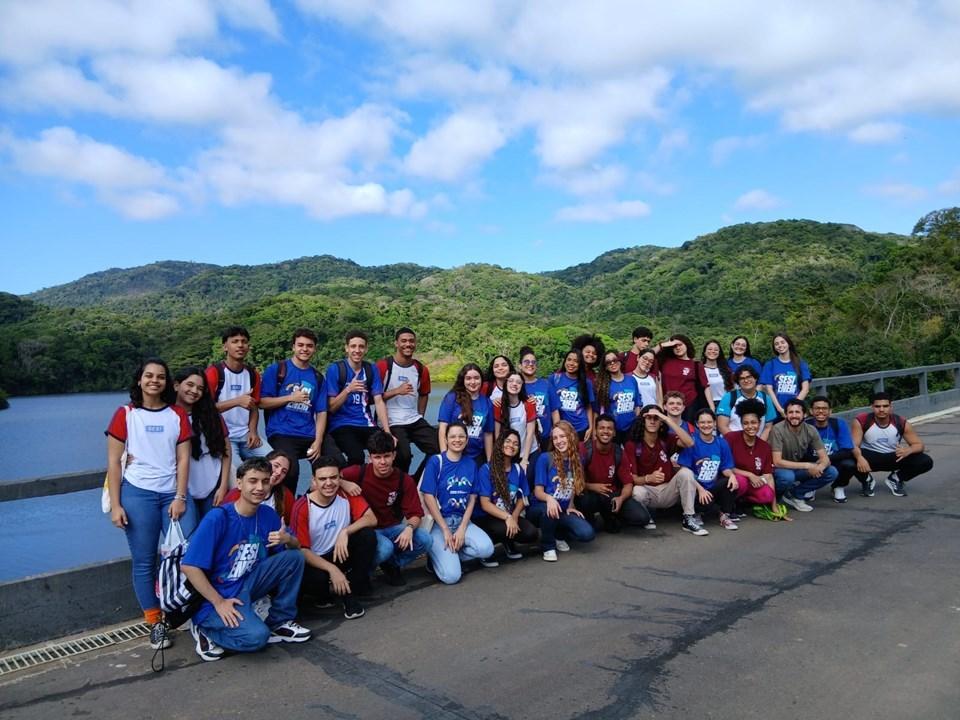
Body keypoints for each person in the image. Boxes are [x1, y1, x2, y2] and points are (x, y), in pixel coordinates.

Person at [106, 358, 197, 650]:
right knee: (145, 561)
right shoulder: (126, 414)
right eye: (149, 376)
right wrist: (117, 506)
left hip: (172, 493)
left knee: (190, 553)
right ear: (140, 380)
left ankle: (187, 611)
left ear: (167, 382)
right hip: (138, 494)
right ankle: (156, 622)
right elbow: (113, 462)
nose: (154, 381)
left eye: (160, 376)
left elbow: (183, 459)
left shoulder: (176, 415)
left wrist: (181, 496)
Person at [182, 458, 311, 661]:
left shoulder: (268, 515)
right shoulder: (218, 518)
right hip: (218, 595)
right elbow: (189, 567)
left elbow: (295, 548)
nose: (260, 487)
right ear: (239, 483)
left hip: (248, 584)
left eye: (265, 481)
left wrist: (289, 540)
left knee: (293, 557)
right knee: (257, 638)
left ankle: (279, 620)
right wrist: (219, 602)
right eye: (253, 481)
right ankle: (205, 629)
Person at [290, 456, 377, 619]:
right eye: (322, 479)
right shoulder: (302, 506)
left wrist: (345, 532)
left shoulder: (345, 493)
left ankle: (349, 589)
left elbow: (371, 519)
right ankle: (327, 593)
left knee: (367, 536)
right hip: (316, 561)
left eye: (333, 477)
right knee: (315, 578)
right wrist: (332, 570)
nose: (329, 483)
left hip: (339, 553)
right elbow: (302, 550)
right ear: (314, 481)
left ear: (340, 478)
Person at [340, 431, 431, 586]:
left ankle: (392, 564)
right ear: (370, 458)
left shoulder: (404, 480)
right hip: (367, 531)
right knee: (385, 548)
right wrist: (344, 483)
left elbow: (415, 514)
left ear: (394, 456)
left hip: (392, 527)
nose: (382, 462)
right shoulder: (358, 472)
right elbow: (331, 476)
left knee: (425, 539)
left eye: (386, 456)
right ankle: (363, 572)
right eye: (377, 457)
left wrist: (409, 528)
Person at [420, 422, 496, 584]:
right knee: (451, 577)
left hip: (462, 521)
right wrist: (446, 529)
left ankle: (451, 554)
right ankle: (437, 558)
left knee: (487, 549)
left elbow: (472, 498)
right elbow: (428, 497)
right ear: (446, 440)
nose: (457, 440)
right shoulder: (436, 462)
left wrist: (462, 528)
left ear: (467, 440)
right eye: (452, 436)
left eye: (461, 436)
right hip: (439, 524)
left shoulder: (470, 464)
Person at [259, 328, 328, 495]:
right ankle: (285, 512)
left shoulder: (317, 377)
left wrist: (318, 441)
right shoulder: (277, 370)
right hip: (282, 432)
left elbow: (321, 412)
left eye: (309, 346)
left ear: (314, 349)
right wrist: (290, 397)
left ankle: (306, 500)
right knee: (291, 470)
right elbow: (262, 402)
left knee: (332, 463)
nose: (305, 349)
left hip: (308, 434)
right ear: (293, 347)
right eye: (300, 345)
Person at [204, 326, 268, 480]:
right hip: (224, 437)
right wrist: (237, 401)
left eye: (244, 342)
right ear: (225, 347)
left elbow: (254, 408)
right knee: (243, 474)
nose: (240, 345)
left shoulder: (253, 375)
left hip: (246, 436)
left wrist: (253, 431)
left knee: (277, 463)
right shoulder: (214, 373)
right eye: (235, 341)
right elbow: (205, 409)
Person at [527, 421, 596, 561]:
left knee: (587, 533)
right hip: (540, 508)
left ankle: (557, 533)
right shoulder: (545, 458)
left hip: (562, 510)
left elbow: (572, 486)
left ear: (571, 436)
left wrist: (571, 505)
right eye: (555, 438)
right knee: (549, 510)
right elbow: (538, 492)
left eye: (562, 436)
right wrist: (550, 499)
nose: (559, 441)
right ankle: (548, 546)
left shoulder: (577, 459)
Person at [629, 405, 702, 535]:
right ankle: (647, 514)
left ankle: (688, 518)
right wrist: (648, 478)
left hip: (668, 490)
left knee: (686, 473)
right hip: (648, 491)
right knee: (637, 491)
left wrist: (667, 419)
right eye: (649, 418)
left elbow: (689, 443)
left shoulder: (665, 439)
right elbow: (632, 478)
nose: (652, 421)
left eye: (656, 418)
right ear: (642, 421)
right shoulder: (633, 444)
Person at [375, 327, 439, 476]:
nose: (408, 344)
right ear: (396, 343)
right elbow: (372, 398)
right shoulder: (383, 366)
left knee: (440, 449)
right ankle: (400, 487)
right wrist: (396, 391)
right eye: (403, 341)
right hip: (391, 421)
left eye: (411, 341)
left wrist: (420, 415)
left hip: (413, 419)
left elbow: (424, 394)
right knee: (403, 455)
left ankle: (416, 480)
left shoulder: (421, 369)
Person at [324, 330, 392, 467]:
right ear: (346, 348)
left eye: (361, 347)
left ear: (366, 349)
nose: (357, 350)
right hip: (342, 424)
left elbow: (378, 401)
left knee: (389, 450)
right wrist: (348, 390)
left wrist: (387, 431)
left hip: (366, 423)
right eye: (353, 346)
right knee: (357, 456)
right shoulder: (335, 369)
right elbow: (331, 407)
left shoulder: (371, 369)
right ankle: (352, 486)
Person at [851, 392, 934, 497]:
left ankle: (896, 479)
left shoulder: (901, 422)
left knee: (925, 461)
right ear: (872, 407)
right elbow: (853, 445)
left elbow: (919, 445)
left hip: (894, 457)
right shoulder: (861, 420)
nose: (881, 409)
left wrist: (908, 450)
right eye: (877, 406)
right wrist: (859, 458)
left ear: (891, 406)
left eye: (885, 406)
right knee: (848, 458)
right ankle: (866, 480)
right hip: (869, 458)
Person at [577, 414, 651, 532]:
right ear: (595, 431)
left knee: (642, 518)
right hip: (590, 494)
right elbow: (574, 480)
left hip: (611, 495)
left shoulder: (619, 452)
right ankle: (591, 519)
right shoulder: (584, 448)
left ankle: (610, 516)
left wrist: (621, 498)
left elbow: (628, 483)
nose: (606, 431)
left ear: (614, 433)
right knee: (583, 500)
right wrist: (591, 486)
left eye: (609, 429)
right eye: (602, 428)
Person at [474, 429, 539, 559]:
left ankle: (507, 542)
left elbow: (522, 497)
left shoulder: (517, 469)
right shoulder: (486, 469)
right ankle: (485, 551)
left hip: (508, 514)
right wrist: (507, 517)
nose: (511, 445)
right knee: (502, 529)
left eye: (516, 443)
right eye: (508, 441)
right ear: (500, 443)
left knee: (531, 533)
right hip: (487, 517)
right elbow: (485, 504)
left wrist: (514, 516)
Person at [174, 366, 230, 517]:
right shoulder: (167, 416)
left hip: (212, 483)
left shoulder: (211, 416)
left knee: (212, 531)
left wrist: (223, 485)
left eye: (200, 388)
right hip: (180, 488)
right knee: (189, 534)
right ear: (176, 385)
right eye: (190, 385)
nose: (194, 391)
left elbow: (226, 451)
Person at [769, 399, 838, 511]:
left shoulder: (811, 430)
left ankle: (795, 494)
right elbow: (777, 461)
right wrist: (808, 466)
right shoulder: (777, 429)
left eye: (797, 412)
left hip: (796, 467)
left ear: (805, 414)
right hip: (777, 469)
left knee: (831, 472)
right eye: (790, 412)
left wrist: (819, 467)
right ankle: (775, 498)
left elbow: (825, 458)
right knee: (787, 477)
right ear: (786, 415)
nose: (794, 416)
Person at [677, 409, 740, 531]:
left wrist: (732, 475)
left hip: (712, 487)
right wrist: (700, 490)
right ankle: (698, 513)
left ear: (715, 423)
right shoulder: (691, 442)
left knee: (731, 482)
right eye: (702, 422)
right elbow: (684, 471)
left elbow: (726, 467)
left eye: (709, 422)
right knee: (705, 501)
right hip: (695, 488)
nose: (706, 425)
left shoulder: (721, 443)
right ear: (697, 424)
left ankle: (724, 515)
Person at [723, 399, 780, 515]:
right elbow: (725, 466)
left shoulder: (765, 447)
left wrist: (775, 507)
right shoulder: (730, 438)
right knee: (741, 481)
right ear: (741, 424)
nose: (750, 426)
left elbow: (768, 476)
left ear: (759, 423)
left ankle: (744, 503)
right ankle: (729, 506)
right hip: (733, 479)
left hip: (753, 484)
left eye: (753, 422)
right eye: (746, 423)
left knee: (767, 495)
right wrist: (750, 475)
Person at [438, 363, 495, 465]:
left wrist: (489, 461)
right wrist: (444, 456)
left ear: (481, 380)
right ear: (463, 380)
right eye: (468, 378)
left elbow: (488, 434)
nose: (473, 382)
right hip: (454, 455)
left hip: (477, 456)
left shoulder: (487, 402)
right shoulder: (452, 398)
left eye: (476, 378)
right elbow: (443, 428)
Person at [806, 396, 859, 503]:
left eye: (824, 408)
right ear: (811, 411)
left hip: (834, 459)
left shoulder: (839, 423)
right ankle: (810, 486)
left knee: (850, 464)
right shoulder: (806, 425)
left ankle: (838, 486)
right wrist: (818, 461)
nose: (821, 411)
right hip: (813, 460)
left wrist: (825, 460)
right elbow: (801, 450)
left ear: (830, 411)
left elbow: (847, 450)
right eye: (817, 408)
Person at [222, 450, 294, 525]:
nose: (279, 472)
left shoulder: (286, 496)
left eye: (284, 471)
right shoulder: (236, 494)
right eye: (276, 466)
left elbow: (290, 527)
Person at [655, 335, 713, 419]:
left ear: (686, 345)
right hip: (668, 405)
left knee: (688, 430)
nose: (678, 348)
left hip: (689, 406)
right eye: (674, 346)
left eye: (680, 345)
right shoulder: (664, 362)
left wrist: (712, 408)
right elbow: (648, 355)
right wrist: (662, 345)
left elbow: (706, 386)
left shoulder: (696, 364)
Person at [716, 366, 777, 440]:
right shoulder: (729, 397)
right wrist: (739, 444)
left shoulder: (765, 398)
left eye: (749, 377)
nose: (746, 380)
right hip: (732, 443)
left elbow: (768, 427)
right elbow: (722, 426)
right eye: (742, 378)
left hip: (757, 444)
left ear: (755, 378)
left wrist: (759, 445)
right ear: (738, 382)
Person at [493, 371, 538, 470]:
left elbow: (530, 433)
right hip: (509, 452)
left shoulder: (528, 404)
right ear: (506, 384)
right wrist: (499, 456)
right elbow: (497, 434)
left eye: (518, 382)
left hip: (529, 452)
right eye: (511, 381)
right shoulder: (498, 405)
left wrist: (525, 460)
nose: (514, 384)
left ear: (522, 386)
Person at [760, 333, 811, 417]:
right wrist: (780, 409)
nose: (780, 345)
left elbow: (805, 389)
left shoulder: (800, 363)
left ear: (788, 344)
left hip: (796, 410)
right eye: (776, 344)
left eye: (782, 342)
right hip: (776, 410)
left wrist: (792, 408)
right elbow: (769, 390)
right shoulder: (770, 364)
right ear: (774, 347)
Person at [596, 350, 641, 443]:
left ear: (619, 361)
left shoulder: (631, 380)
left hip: (632, 427)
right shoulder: (603, 384)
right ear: (606, 367)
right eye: (608, 362)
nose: (612, 363)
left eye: (614, 360)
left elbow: (637, 404)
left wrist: (637, 424)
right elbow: (599, 409)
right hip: (612, 430)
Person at [549, 348, 596, 441]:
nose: (571, 363)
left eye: (575, 361)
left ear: (580, 364)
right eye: (569, 359)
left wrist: (591, 427)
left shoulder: (586, 383)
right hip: (561, 429)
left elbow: (588, 407)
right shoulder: (554, 379)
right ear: (565, 361)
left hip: (581, 428)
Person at [519, 345, 553, 458]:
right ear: (520, 365)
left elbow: (555, 410)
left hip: (546, 436)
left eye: (533, 362)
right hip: (524, 437)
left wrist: (555, 431)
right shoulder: (516, 385)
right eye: (526, 362)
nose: (530, 364)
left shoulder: (546, 384)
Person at [701, 339, 735, 408]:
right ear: (704, 352)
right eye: (709, 349)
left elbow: (732, 388)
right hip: (705, 404)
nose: (712, 351)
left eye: (716, 350)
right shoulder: (700, 369)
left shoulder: (726, 369)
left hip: (725, 403)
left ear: (719, 353)